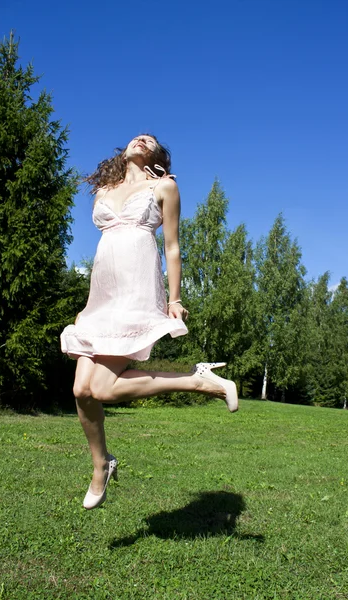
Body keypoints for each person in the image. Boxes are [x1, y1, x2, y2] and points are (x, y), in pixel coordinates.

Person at [60, 134, 238, 510]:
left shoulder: (165, 187)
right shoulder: (106, 188)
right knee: (81, 391)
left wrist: (175, 299)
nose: (140, 139)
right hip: (102, 295)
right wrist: (89, 305)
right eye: (136, 137)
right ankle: (101, 464)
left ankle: (198, 380)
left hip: (136, 288)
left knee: (103, 390)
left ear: (158, 155)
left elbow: (172, 247)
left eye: (150, 140)